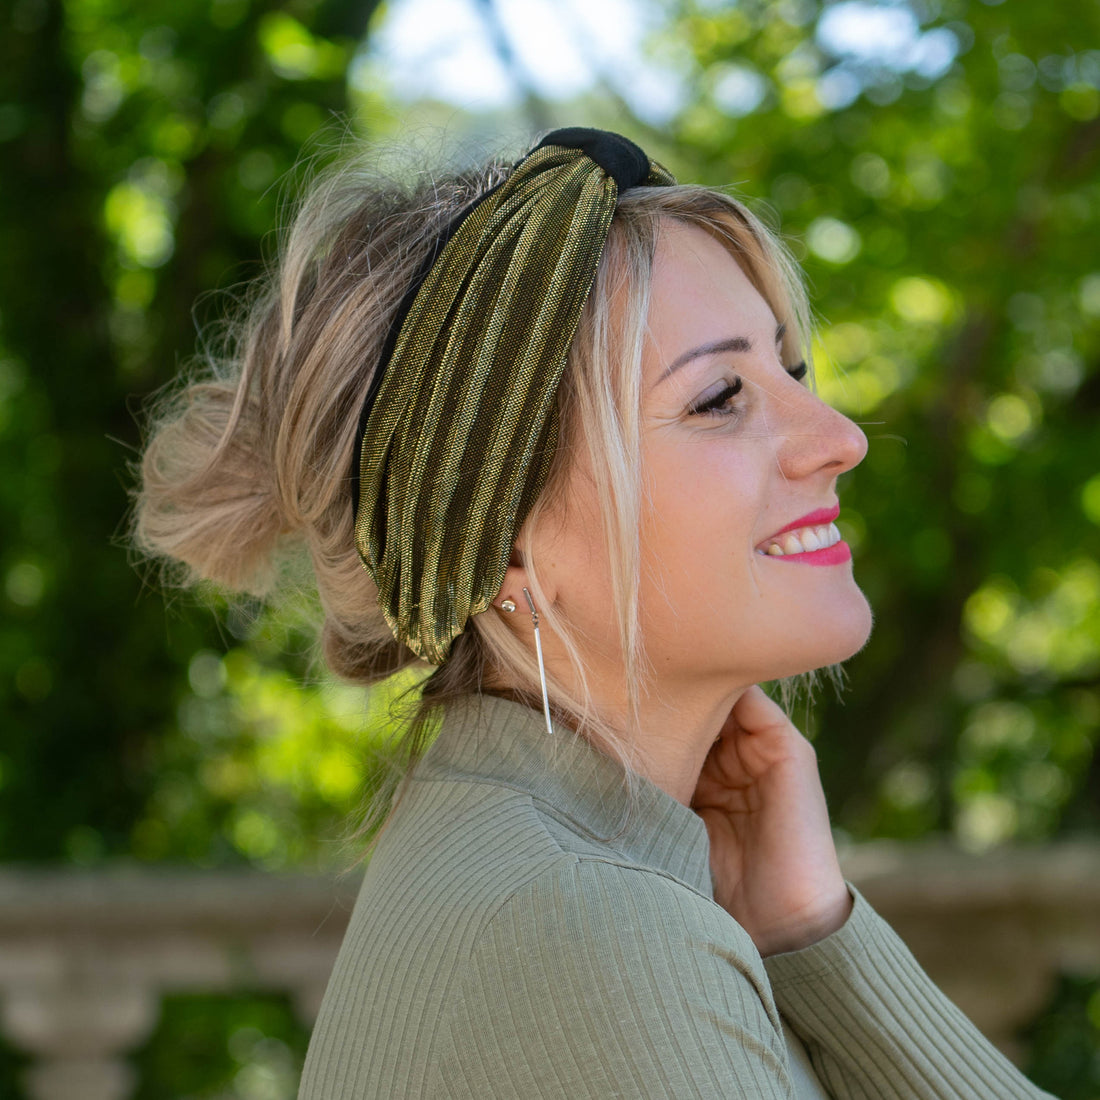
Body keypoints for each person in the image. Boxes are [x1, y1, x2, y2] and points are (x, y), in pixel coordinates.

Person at [135, 128, 1056, 1099]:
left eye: (791, 371)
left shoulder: (541, 864)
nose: (837, 437)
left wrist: (812, 932)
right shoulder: (598, 927)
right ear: (502, 542)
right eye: (717, 398)